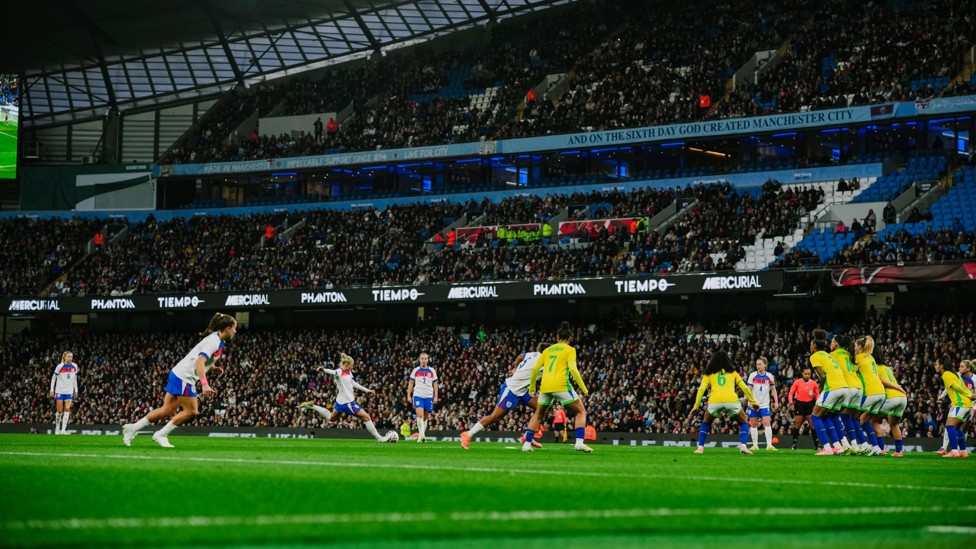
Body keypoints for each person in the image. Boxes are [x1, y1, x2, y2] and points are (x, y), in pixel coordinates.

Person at [122, 313, 237, 448]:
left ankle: (133, 428)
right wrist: (205, 384)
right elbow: (200, 361)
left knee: (167, 411)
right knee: (191, 411)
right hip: (185, 377)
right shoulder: (214, 342)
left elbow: (200, 357)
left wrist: (212, 367)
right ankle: (161, 435)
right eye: (234, 328)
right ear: (228, 328)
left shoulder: (218, 340)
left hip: (178, 373)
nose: (235, 331)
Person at [460, 343, 549, 450]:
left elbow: (520, 356)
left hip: (524, 390)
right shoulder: (543, 362)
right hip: (512, 389)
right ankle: (468, 434)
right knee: (495, 417)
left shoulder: (532, 354)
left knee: (542, 407)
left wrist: (515, 369)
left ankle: (529, 435)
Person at [521, 321, 592, 453]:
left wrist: (532, 388)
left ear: (557, 337)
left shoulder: (547, 350)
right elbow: (573, 370)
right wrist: (584, 388)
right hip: (561, 386)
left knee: (538, 415)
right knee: (581, 411)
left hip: (546, 387)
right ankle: (579, 443)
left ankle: (527, 444)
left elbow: (536, 369)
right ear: (570, 338)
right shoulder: (570, 350)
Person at [298, 353, 395, 443]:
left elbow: (353, 383)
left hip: (340, 402)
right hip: (347, 403)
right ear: (347, 364)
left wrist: (367, 390)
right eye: (351, 365)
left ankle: (312, 406)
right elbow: (332, 372)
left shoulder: (348, 372)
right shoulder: (339, 371)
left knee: (331, 418)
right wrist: (323, 370)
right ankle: (379, 438)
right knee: (366, 417)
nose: (352, 367)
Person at [690, 350, 760, 455]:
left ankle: (700, 447)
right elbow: (745, 388)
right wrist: (753, 402)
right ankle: (743, 446)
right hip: (731, 400)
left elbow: (701, 389)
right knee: (744, 421)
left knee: (706, 421)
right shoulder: (733, 373)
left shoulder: (708, 374)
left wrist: (695, 407)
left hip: (715, 401)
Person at [809, 329, 851, 456]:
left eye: (811, 345)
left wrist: (820, 388)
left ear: (815, 346)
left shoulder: (814, 356)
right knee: (826, 416)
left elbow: (822, 377)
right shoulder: (828, 355)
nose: (810, 347)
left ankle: (826, 448)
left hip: (833, 388)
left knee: (815, 416)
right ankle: (838, 447)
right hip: (844, 388)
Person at [935, 355, 973, 458]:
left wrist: (969, 395)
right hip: (967, 404)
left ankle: (954, 451)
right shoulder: (954, 374)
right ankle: (963, 451)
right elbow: (962, 386)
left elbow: (956, 387)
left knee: (950, 425)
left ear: (942, 366)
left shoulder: (946, 374)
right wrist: (970, 395)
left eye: (936, 364)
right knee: (957, 428)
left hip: (960, 403)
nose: (935, 366)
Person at [831, 334, 863, 454]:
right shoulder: (849, 354)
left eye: (832, 342)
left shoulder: (832, 355)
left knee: (832, 415)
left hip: (848, 387)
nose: (830, 344)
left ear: (836, 344)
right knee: (846, 417)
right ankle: (855, 445)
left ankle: (844, 444)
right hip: (858, 387)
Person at [854, 336, 886, 456]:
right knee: (864, 420)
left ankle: (863, 445)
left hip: (870, 393)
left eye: (856, 346)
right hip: (881, 393)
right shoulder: (871, 357)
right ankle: (876, 447)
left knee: (854, 418)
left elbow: (852, 373)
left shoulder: (858, 358)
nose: (854, 348)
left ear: (860, 347)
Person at [876, 353, 908, 457]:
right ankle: (899, 451)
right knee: (893, 423)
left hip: (892, 397)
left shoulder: (875, 367)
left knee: (872, 420)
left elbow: (882, 382)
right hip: (902, 398)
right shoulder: (887, 368)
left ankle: (881, 448)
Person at [746, 357, 779, 451]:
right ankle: (755, 445)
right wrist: (750, 402)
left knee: (767, 422)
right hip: (754, 404)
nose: (758, 366)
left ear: (765, 365)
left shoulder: (769, 376)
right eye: (757, 364)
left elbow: (773, 390)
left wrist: (776, 401)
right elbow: (749, 390)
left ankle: (769, 445)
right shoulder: (752, 375)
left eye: (760, 364)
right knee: (753, 423)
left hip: (764, 404)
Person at [407, 352, 438, 443]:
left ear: (428, 360)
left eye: (425, 359)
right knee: (419, 415)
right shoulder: (415, 370)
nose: (424, 360)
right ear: (419, 359)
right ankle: (422, 436)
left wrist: (435, 396)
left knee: (425, 417)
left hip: (428, 396)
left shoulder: (432, 371)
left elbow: (435, 384)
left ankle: (421, 435)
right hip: (418, 395)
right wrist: (409, 395)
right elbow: (411, 383)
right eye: (422, 358)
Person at [787, 367, 819, 450]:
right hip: (799, 404)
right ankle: (794, 444)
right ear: (802, 374)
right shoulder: (797, 382)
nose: (807, 375)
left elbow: (817, 395)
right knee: (797, 424)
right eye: (806, 374)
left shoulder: (814, 383)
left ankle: (816, 445)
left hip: (809, 405)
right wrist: (791, 403)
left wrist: (816, 401)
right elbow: (791, 393)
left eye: (809, 374)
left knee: (812, 424)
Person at [49, 351, 79, 435]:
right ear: (64, 357)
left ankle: (63, 430)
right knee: (59, 411)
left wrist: (76, 390)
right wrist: (52, 389)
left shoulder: (75, 366)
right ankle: (57, 428)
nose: (70, 358)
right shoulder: (60, 366)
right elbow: (53, 378)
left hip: (69, 391)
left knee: (67, 410)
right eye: (69, 356)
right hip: (60, 391)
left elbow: (74, 379)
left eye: (71, 356)